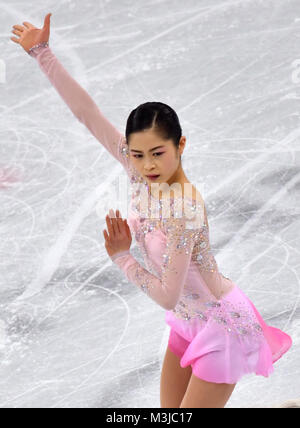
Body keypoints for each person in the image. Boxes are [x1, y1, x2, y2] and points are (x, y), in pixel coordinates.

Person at [10, 13, 293, 409]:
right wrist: (42, 52)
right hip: (188, 320)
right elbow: (87, 115)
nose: (148, 166)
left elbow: (165, 293)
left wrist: (122, 258)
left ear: (180, 146)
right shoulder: (138, 172)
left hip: (224, 325)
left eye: (158, 153)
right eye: (138, 155)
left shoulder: (185, 210)